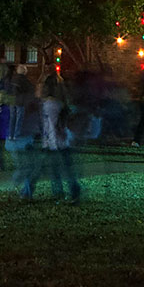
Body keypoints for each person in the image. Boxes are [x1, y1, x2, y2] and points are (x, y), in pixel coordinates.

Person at [37, 70, 80, 204]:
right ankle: (73, 192)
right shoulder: (63, 103)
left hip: (53, 141)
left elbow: (48, 125)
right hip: (63, 141)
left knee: (55, 169)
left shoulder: (48, 105)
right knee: (67, 168)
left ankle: (59, 192)